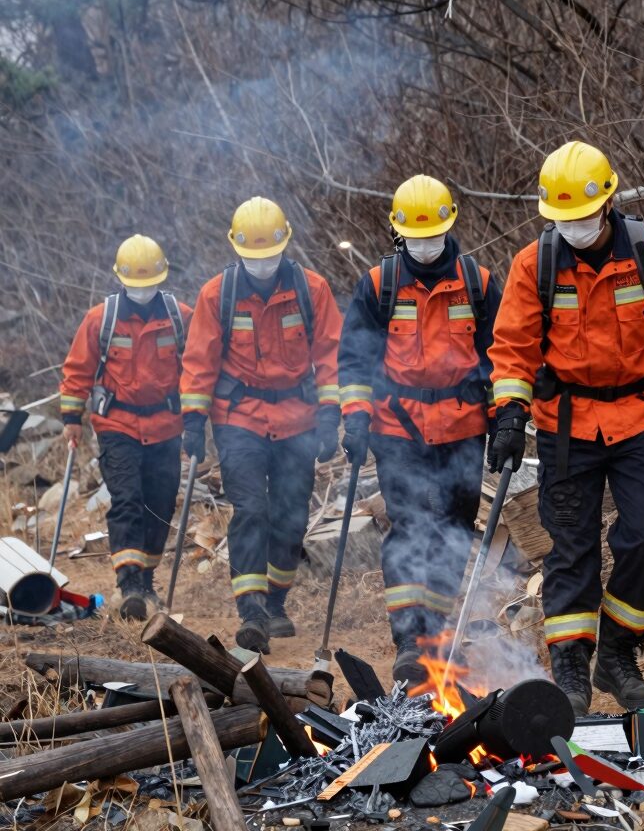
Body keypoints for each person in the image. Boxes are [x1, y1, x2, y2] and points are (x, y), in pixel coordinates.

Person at [488, 141, 644, 715]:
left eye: (583, 217)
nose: (576, 228)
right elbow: (512, 350)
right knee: (570, 549)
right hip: (566, 425)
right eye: (564, 220)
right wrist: (509, 414)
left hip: (641, 418)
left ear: (608, 203)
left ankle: (616, 653)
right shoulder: (533, 266)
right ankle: (569, 667)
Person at [339, 175, 501, 685]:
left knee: (454, 531)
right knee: (409, 528)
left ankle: (434, 632)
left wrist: (507, 421)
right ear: (398, 234)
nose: (426, 245)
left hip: (463, 427)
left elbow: (502, 358)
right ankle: (409, 639)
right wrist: (355, 417)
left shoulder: (478, 282)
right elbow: (354, 360)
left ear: (450, 227)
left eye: (434, 234)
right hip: (398, 427)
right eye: (417, 236)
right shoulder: (379, 285)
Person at [180, 197, 342, 653]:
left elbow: (331, 356)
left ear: (285, 246)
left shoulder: (313, 290)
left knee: (291, 518)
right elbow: (199, 361)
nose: (262, 265)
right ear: (237, 251)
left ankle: (276, 602)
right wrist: (193, 420)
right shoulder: (218, 295)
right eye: (253, 258)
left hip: (298, 419)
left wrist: (331, 415)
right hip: (239, 419)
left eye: (269, 256)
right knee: (250, 510)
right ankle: (251, 613)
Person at [60, 235, 191, 619]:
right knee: (128, 500)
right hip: (116, 425)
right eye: (135, 284)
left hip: (167, 426)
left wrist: (202, 415)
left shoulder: (181, 316)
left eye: (148, 283)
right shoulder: (102, 319)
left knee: (160, 504)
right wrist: (72, 418)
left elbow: (200, 367)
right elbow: (77, 370)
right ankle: (129, 584)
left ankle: (146, 582)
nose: (142, 291)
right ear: (121, 279)